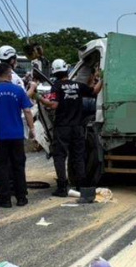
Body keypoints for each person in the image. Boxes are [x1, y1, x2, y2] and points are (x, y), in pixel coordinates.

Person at [38, 58, 102, 197]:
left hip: (62, 127)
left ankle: (62, 187)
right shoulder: (78, 86)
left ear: (55, 73)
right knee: (78, 156)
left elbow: (53, 105)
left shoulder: (56, 86)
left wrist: (40, 99)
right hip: (78, 127)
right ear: (67, 70)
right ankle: (81, 186)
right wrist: (102, 79)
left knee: (60, 156)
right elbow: (95, 91)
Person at [0, 63, 37, 208]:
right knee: (18, 166)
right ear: (9, 74)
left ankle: (5, 199)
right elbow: (28, 111)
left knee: (1, 167)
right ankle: (21, 197)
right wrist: (32, 129)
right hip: (17, 134)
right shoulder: (18, 90)